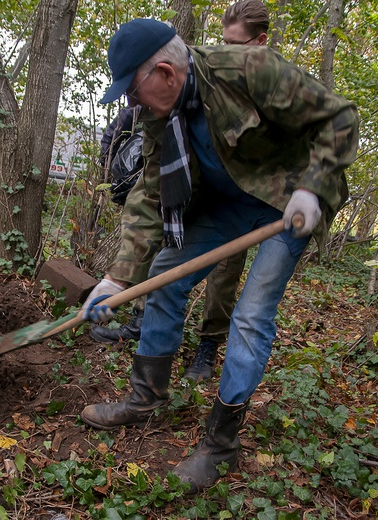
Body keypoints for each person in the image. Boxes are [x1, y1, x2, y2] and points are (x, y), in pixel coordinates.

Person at [80, 18, 358, 494]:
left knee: (251, 313)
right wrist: (118, 278)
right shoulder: (155, 113)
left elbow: (341, 117)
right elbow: (150, 193)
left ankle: (220, 444)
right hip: (224, 205)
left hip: (286, 203)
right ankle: (146, 398)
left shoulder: (248, 69)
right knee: (166, 276)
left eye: (132, 90)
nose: (130, 102)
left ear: (166, 74)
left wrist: (313, 188)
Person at [89, 2, 273, 380]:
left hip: (252, 203)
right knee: (165, 267)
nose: (228, 51)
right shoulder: (175, 95)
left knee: (228, 280)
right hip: (200, 198)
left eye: (237, 44)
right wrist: (118, 277)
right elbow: (150, 190)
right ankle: (147, 376)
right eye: (224, 42)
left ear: (260, 43)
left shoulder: (264, 84)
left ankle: (208, 346)